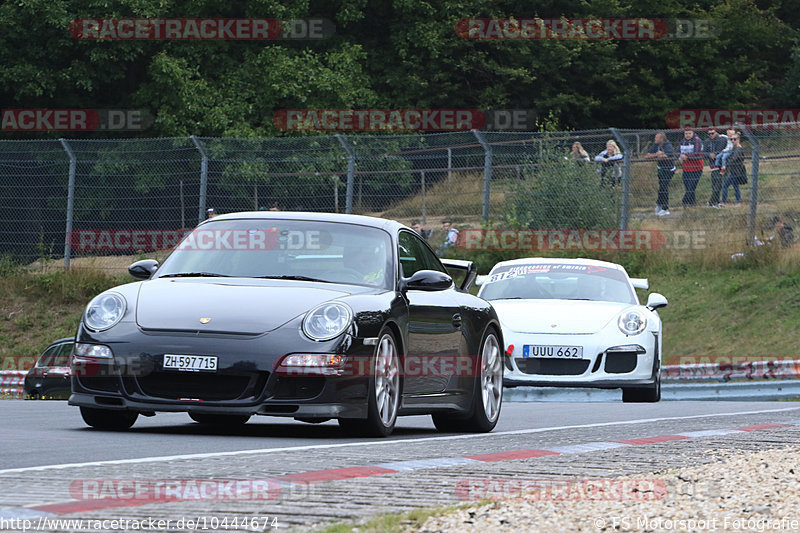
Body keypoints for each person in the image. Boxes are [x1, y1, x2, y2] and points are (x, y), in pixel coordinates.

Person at [643, 132, 676, 216]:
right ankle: (659, 204)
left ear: (662, 139)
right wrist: (657, 154)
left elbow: (666, 155)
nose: (655, 139)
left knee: (664, 187)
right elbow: (647, 156)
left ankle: (665, 208)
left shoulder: (667, 145)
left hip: (669, 169)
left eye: (657, 138)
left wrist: (660, 155)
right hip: (660, 169)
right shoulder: (655, 145)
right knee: (661, 187)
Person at [678, 128, 704, 206]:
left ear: (693, 133)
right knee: (689, 188)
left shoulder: (697, 140)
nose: (688, 135)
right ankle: (693, 204)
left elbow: (696, 153)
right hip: (686, 169)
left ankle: (684, 202)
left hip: (697, 168)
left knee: (691, 188)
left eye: (689, 133)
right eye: (686, 133)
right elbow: (676, 152)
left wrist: (686, 156)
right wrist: (680, 155)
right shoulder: (682, 141)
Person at [704, 128, 728, 208]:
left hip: (722, 166)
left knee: (718, 184)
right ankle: (716, 202)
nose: (711, 135)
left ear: (716, 132)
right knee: (715, 185)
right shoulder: (707, 141)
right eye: (709, 134)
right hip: (713, 166)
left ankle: (711, 202)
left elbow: (729, 140)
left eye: (712, 133)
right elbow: (704, 153)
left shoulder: (722, 139)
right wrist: (709, 155)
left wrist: (716, 154)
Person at [721, 133, 746, 206]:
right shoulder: (734, 148)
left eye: (734, 139)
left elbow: (734, 159)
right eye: (731, 139)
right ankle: (738, 201)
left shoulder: (738, 149)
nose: (732, 141)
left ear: (738, 139)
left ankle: (723, 202)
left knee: (725, 186)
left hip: (736, 171)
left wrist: (726, 164)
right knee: (735, 186)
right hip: (734, 170)